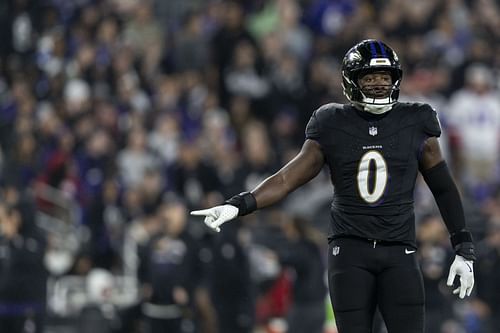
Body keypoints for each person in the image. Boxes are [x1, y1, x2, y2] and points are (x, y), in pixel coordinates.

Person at [191, 39, 476, 333]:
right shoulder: (332, 122)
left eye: (385, 77)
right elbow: (288, 178)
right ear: (352, 81)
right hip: (350, 251)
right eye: (369, 77)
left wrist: (463, 248)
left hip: (399, 250)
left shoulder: (416, 121)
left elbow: (443, 187)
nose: (379, 84)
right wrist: (239, 204)